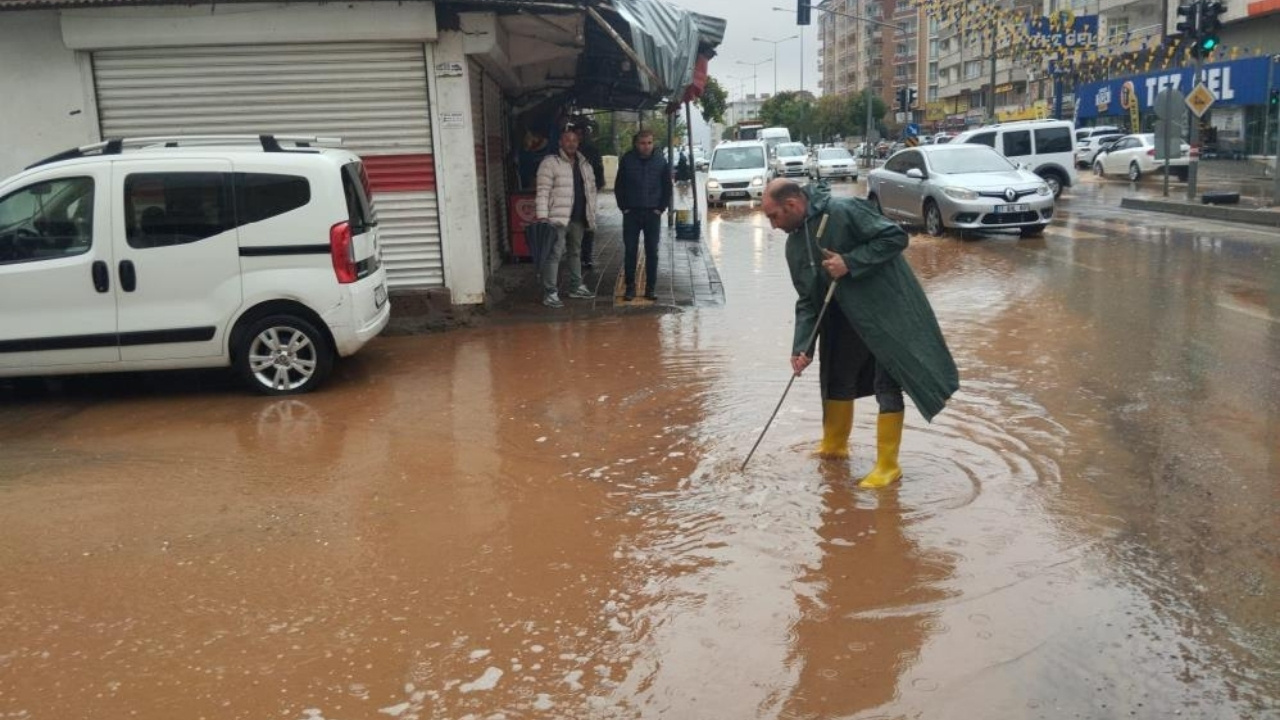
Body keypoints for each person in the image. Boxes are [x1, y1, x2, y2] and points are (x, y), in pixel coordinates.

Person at [761, 179, 959, 489]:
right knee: (836, 380)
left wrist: (850, 262)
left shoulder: (844, 211)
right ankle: (835, 446)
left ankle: (888, 467)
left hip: (884, 314)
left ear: (792, 206)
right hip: (841, 320)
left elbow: (894, 237)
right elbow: (807, 300)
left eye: (774, 217)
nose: (773, 226)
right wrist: (802, 347)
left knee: (887, 384)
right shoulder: (794, 246)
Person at [534, 127, 598, 308]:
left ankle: (576, 286)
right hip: (557, 218)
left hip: (578, 217)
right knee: (554, 254)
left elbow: (591, 192)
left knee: (575, 252)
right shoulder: (550, 163)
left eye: (574, 140)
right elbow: (543, 191)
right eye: (567, 140)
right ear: (560, 143)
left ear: (578, 143)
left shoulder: (585, 164)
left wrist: (591, 215)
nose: (571, 143)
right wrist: (542, 216)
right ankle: (550, 292)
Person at [614, 129, 671, 301]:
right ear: (636, 144)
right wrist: (624, 207)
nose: (646, 147)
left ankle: (650, 288)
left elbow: (667, 187)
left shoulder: (661, 161)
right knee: (630, 250)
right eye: (642, 143)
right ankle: (630, 287)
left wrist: (660, 208)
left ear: (653, 143)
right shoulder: (627, 160)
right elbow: (619, 186)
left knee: (652, 251)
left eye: (649, 143)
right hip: (631, 213)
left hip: (652, 213)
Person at [576, 122, 606, 271]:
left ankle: (585, 256)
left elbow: (599, 170)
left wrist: (597, 186)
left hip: (588, 192)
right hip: (575, 193)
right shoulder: (569, 151)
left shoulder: (591, 151)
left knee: (588, 225)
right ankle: (581, 257)